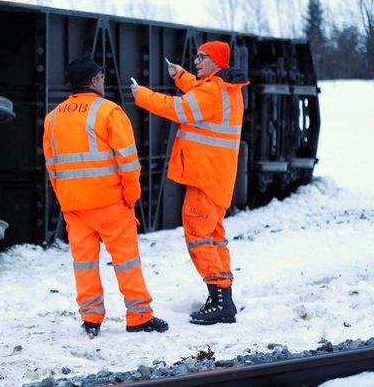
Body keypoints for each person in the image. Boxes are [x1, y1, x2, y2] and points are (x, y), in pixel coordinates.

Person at [43, 57, 168, 338]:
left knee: (84, 264)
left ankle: (90, 319)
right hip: (111, 203)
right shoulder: (109, 112)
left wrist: (66, 201)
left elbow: (53, 168)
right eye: (102, 76)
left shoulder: (52, 119)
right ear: (95, 80)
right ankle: (138, 316)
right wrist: (130, 197)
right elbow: (128, 162)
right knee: (126, 261)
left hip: (75, 208)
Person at [130, 41, 249, 325]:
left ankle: (219, 300)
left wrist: (142, 95)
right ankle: (224, 298)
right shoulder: (223, 88)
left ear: (217, 61)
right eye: (196, 57)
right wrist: (180, 75)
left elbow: (180, 109)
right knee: (215, 238)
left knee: (198, 236)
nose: (196, 61)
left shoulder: (213, 91)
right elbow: (199, 92)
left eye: (201, 57)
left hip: (205, 177)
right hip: (216, 177)